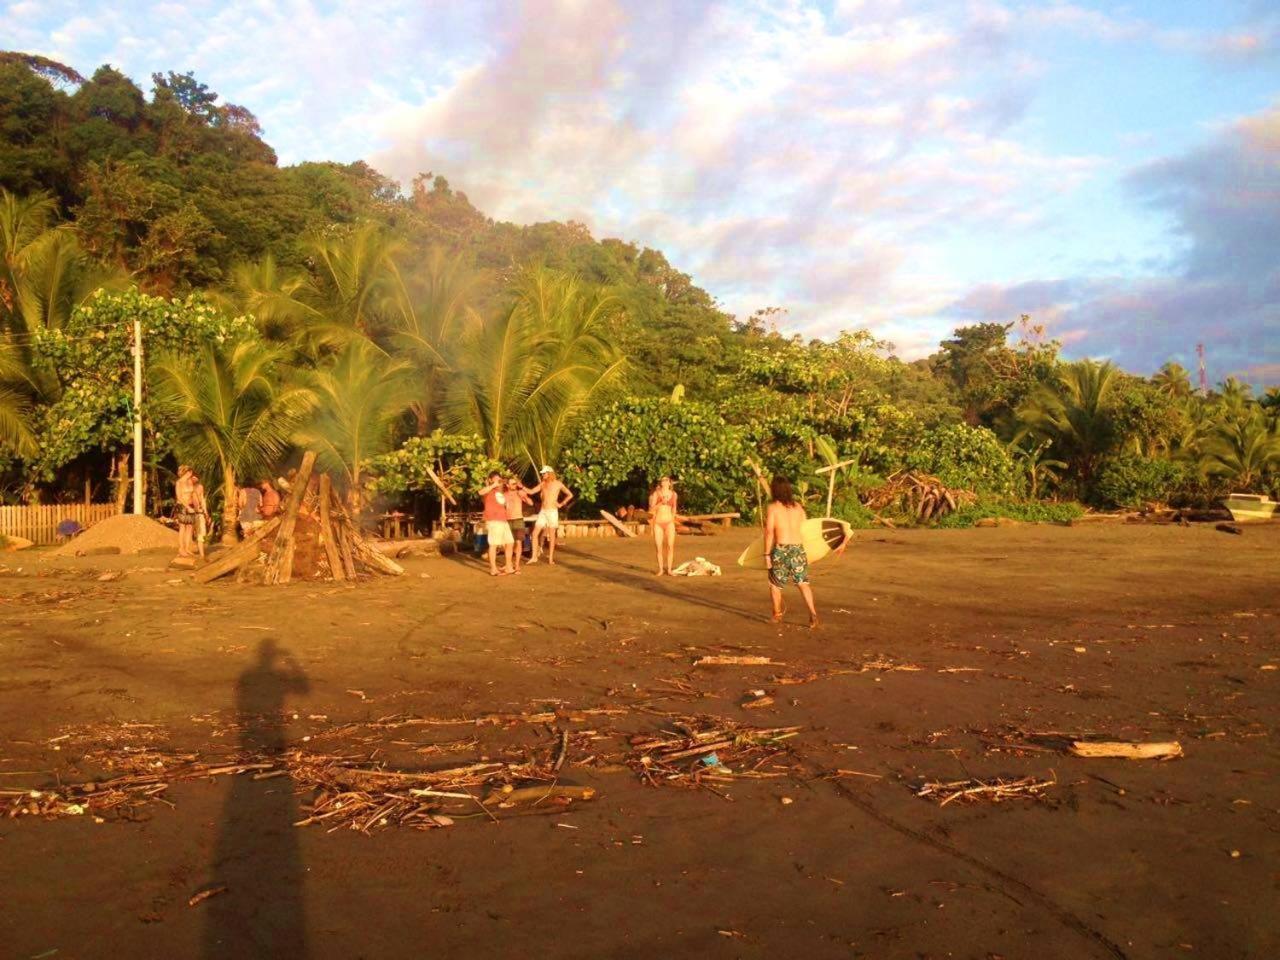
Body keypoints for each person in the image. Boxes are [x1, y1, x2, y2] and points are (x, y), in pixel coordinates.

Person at [764, 474, 820, 628]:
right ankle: (813, 614)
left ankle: (777, 615)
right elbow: (806, 530)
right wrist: (810, 552)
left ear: (774, 490)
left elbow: (769, 532)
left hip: (781, 549)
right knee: (803, 583)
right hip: (798, 548)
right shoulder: (798, 507)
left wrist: (767, 554)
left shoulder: (773, 507)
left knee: (775, 584)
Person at [528, 466, 574, 566]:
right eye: (542, 473)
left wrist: (561, 504)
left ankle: (551, 558)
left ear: (549, 473)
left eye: (544, 473)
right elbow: (531, 491)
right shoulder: (543, 484)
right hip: (543, 511)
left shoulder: (558, 484)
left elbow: (570, 494)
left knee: (552, 535)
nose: (543, 475)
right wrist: (521, 487)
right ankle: (534, 557)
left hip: (552, 511)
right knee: (535, 533)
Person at [478, 470, 515, 576]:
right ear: (490, 480)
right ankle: (493, 569)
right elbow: (480, 492)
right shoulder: (488, 491)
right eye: (495, 478)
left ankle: (508, 566)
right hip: (494, 521)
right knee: (494, 544)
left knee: (510, 542)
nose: (498, 480)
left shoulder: (500, 492)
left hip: (503, 520)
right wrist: (493, 484)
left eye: (499, 478)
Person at [649, 476, 679, 575]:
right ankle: (661, 569)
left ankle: (669, 569)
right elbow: (652, 509)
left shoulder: (674, 494)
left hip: (669, 522)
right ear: (661, 483)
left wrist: (673, 519)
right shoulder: (656, 494)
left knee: (670, 546)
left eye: (666, 480)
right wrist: (661, 502)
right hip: (658, 523)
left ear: (670, 483)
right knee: (659, 547)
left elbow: (674, 508)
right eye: (663, 480)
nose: (664, 482)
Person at [505, 475, 533, 572]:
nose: (515, 485)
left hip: (518, 519)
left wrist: (524, 496)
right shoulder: (504, 495)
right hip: (507, 520)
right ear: (507, 485)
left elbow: (531, 503)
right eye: (512, 484)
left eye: (515, 483)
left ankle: (517, 565)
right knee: (508, 544)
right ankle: (508, 564)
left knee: (518, 542)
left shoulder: (519, 493)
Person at [174, 465, 199, 558]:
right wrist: (187, 507)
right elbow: (179, 497)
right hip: (182, 506)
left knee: (190, 527)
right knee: (182, 527)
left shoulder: (190, 481)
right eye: (190, 472)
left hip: (191, 505)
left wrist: (197, 506)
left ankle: (187, 548)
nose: (191, 474)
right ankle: (181, 548)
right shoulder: (179, 483)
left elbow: (193, 494)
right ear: (187, 472)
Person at [191, 473, 211, 559]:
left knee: (200, 533)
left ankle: (201, 554)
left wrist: (205, 512)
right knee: (191, 533)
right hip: (190, 512)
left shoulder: (200, 487)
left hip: (199, 513)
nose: (194, 479)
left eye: (196, 478)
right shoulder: (187, 487)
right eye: (193, 478)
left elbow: (202, 499)